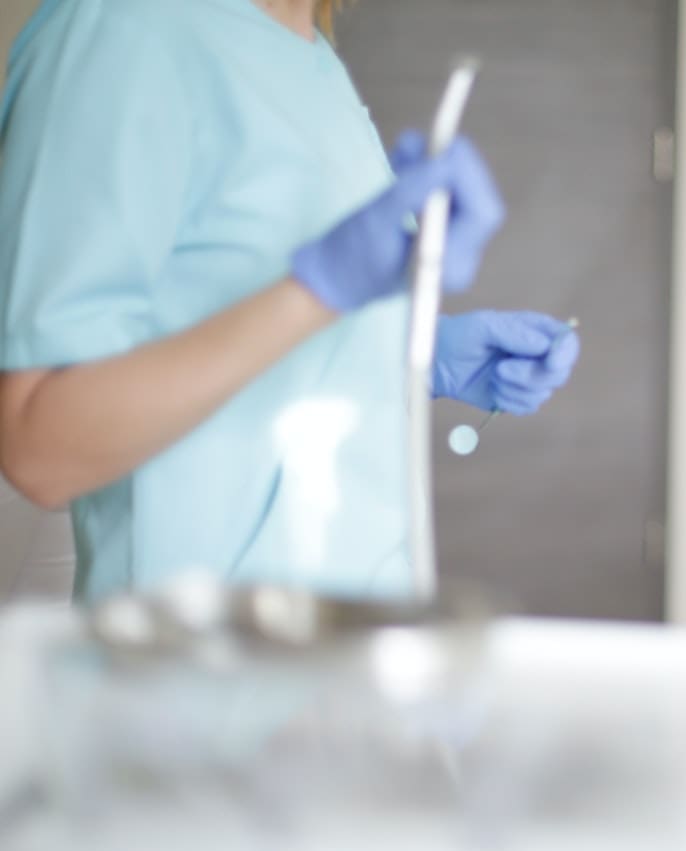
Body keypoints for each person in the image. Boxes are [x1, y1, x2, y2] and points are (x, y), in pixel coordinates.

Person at [0, 0, 580, 601]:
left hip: (354, 642)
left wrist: (419, 356)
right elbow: (40, 448)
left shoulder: (312, 57)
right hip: (195, 666)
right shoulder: (118, 30)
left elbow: (262, 317)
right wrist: (316, 290)